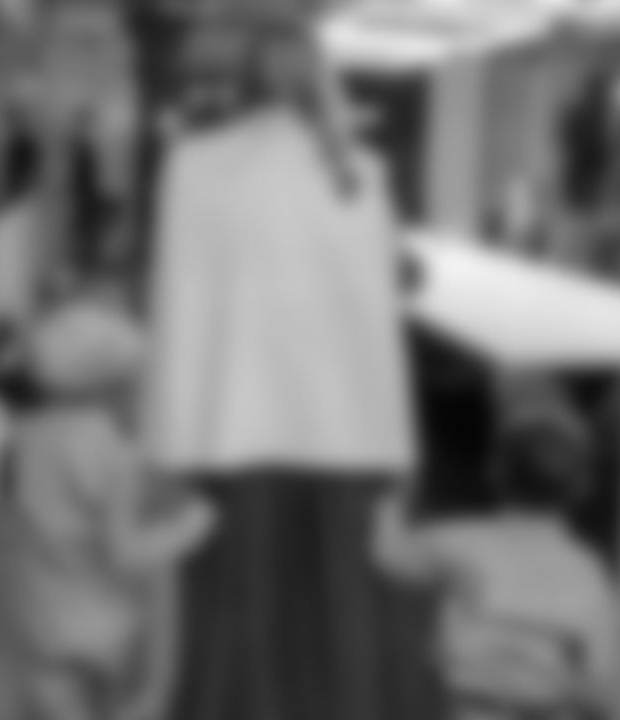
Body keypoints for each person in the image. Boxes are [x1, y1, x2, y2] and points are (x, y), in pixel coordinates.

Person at [144, 5, 435, 720]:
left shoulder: (192, 168)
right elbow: (379, 332)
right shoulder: (360, 173)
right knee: (343, 649)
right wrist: (401, 459)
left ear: (236, 78)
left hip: (227, 440)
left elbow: (178, 314)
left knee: (234, 648)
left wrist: (165, 453)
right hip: (353, 443)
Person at [0, 297, 214, 720]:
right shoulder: (109, 454)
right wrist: (192, 526)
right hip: (95, 639)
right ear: (109, 386)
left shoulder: (24, 437)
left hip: (34, 630)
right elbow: (126, 553)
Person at [372, 393, 620, 720]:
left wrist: (392, 498)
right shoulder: (587, 571)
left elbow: (389, 556)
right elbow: (601, 679)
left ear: (496, 472)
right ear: (582, 487)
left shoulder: (458, 540)